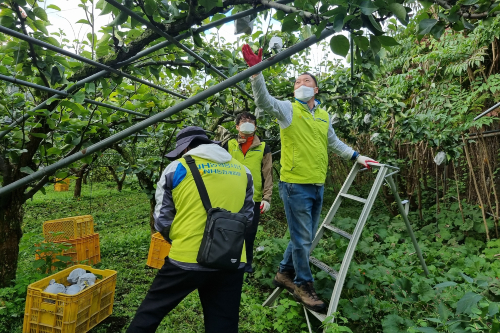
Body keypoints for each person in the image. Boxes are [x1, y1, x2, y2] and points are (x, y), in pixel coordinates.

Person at [241, 44, 378, 312]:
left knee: (302, 237)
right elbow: (264, 102)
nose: (300, 84)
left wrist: (358, 157)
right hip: (294, 186)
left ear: (316, 89)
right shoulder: (288, 110)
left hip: (317, 185)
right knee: (303, 239)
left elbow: (335, 143)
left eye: (306, 81)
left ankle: (283, 273)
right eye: (296, 82)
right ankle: (303, 284)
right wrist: (256, 73)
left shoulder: (324, 116)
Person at [126, 126, 255, 333]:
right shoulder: (243, 170)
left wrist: (184, 238)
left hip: (186, 258)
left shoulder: (176, 168)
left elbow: (162, 220)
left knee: (150, 313)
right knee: (223, 323)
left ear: (185, 149)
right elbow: (248, 217)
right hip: (230, 259)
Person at [223, 111, 273, 273]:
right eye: (243, 121)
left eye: (251, 122)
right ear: (237, 126)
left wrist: (267, 197)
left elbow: (267, 173)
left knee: (249, 232)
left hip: (254, 197)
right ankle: (228, 258)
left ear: (256, 127)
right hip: (230, 195)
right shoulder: (229, 145)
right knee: (230, 228)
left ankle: (246, 263)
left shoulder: (263, 147)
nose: (247, 124)